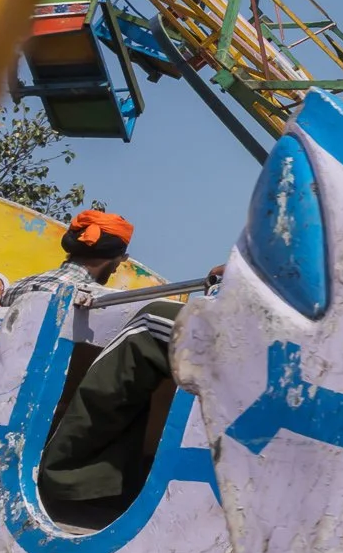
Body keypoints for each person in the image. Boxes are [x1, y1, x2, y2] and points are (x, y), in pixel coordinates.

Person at [32, 211, 219, 529]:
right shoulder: (109, 302)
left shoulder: (24, 287)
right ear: (120, 259)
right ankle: (71, 474)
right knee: (151, 327)